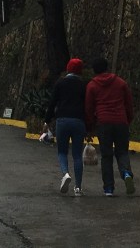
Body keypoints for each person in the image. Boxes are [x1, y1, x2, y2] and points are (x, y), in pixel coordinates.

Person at [85, 56, 135, 197]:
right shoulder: (120, 83)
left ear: (94, 70)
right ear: (107, 67)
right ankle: (126, 173)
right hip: (121, 121)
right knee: (122, 152)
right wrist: (128, 119)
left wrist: (90, 126)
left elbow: (89, 108)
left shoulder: (92, 86)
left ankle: (108, 189)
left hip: (103, 123)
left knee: (106, 156)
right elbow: (129, 104)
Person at [45, 57, 88, 196]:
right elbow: (88, 106)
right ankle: (78, 188)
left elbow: (52, 103)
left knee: (62, 152)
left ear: (68, 68)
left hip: (62, 120)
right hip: (79, 121)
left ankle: (65, 174)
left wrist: (47, 120)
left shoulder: (60, 83)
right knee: (77, 155)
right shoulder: (84, 85)